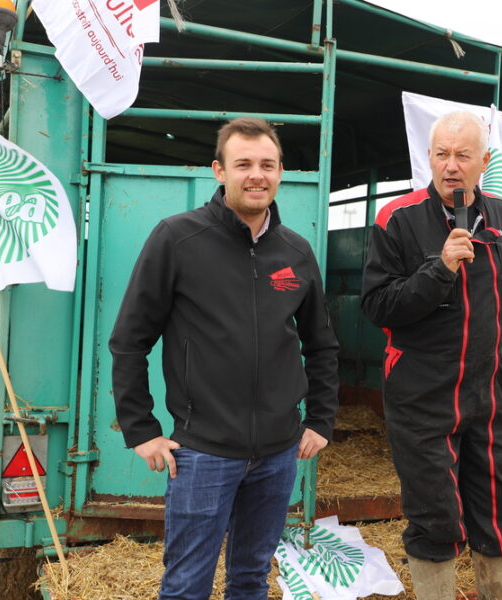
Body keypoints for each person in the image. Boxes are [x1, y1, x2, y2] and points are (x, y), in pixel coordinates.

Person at [109, 117, 339, 600]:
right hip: (202, 452)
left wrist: (320, 418)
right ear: (219, 170)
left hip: (278, 454)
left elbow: (320, 344)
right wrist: (141, 430)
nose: (257, 175)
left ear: (281, 173)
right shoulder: (177, 239)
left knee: (251, 580)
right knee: (187, 585)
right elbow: (130, 338)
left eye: (267, 165)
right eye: (243, 165)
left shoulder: (296, 251)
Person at [361, 110, 502, 600]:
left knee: (499, 516)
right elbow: (378, 306)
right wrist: (440, 268)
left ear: (484, 161)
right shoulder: (398, 219)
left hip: (490, 396)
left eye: (462, 155)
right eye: (441, 154)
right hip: (422, 397)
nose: (450, 166)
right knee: (436, 519)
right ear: (429, 158)